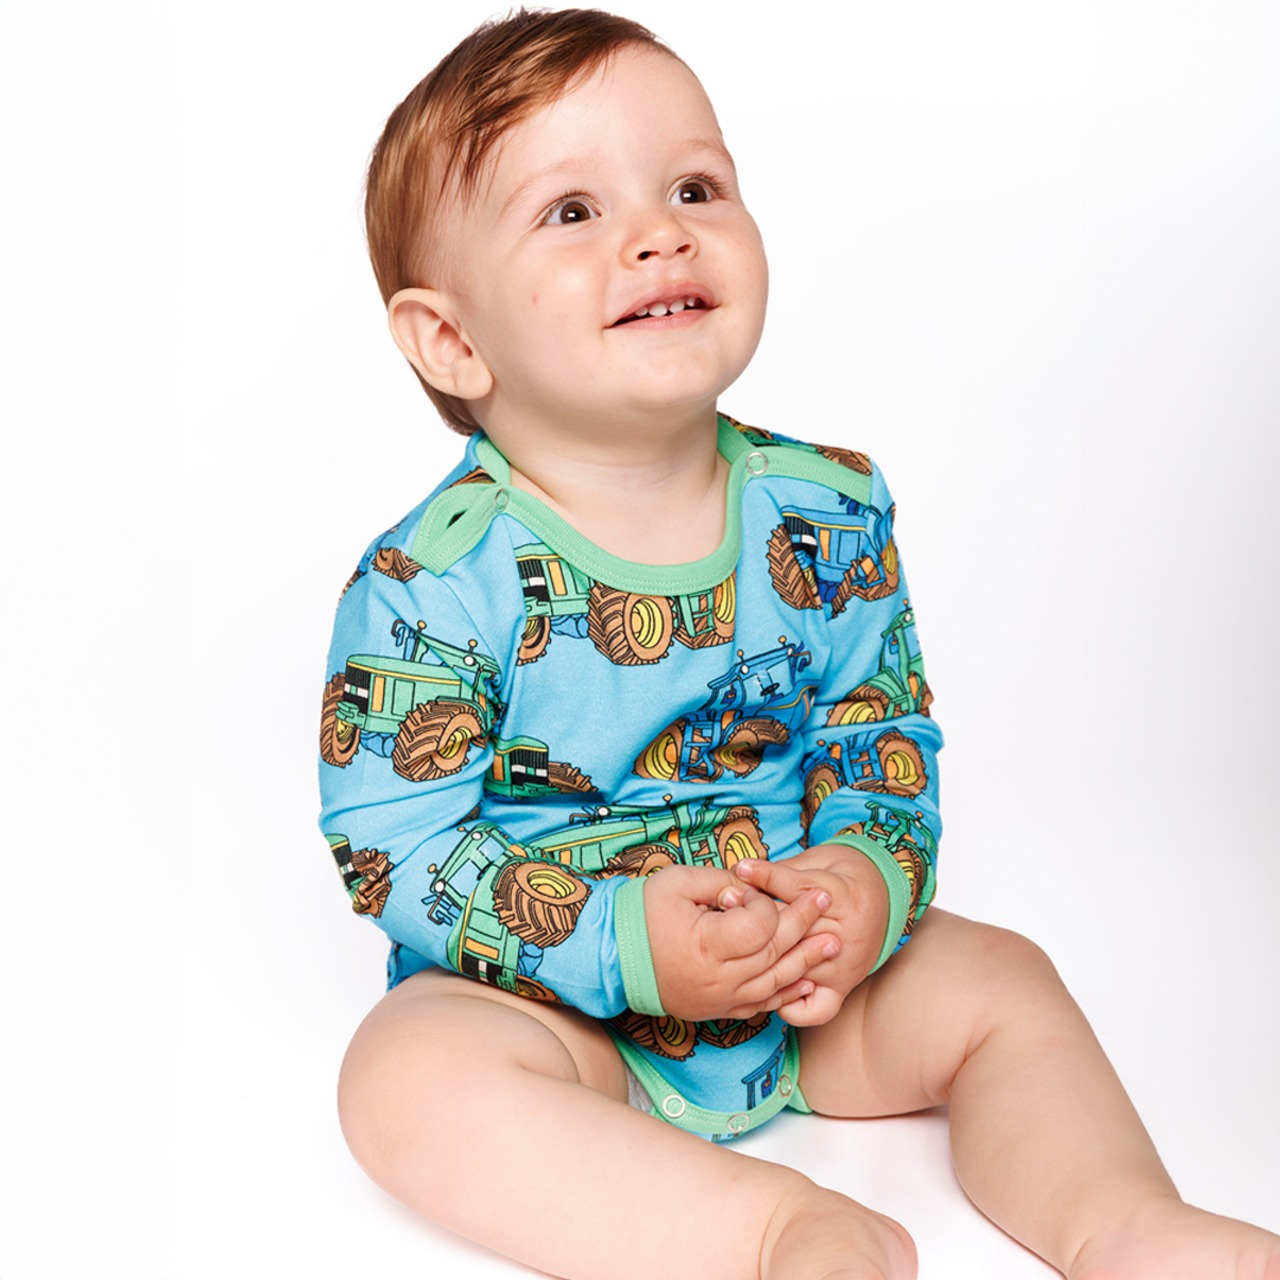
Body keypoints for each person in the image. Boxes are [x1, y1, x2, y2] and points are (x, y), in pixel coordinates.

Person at [317, 9, 1280, 1278]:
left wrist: (859, 887)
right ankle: (774, 1230)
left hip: (802, 981)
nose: (659, 233)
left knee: (1004, 979)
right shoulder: (430, 583)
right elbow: (395, 847)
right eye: (572, 211)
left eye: (692, 187)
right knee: (403, 1078)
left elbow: (875, 728)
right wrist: (620, 939)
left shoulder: (825, 511)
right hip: (557, 1009)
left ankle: (1118, 1220)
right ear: (452, 339)